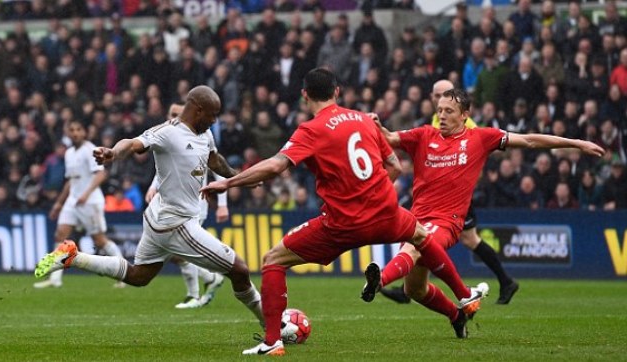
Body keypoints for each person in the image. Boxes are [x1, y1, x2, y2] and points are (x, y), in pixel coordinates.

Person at [200, 69, 489, 355]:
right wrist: (369, 195)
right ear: (337, 92)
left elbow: (276, 166)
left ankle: (273, 340)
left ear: (304, 96)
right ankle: (463, 298)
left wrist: (230, 181)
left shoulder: (311, 130)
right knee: (421, 236)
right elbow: (395, 167)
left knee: (273, 260)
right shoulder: (364, 119)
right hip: (386, 213)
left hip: (341, 224)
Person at [368, 88, 603, 332]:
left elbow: (529, 140)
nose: (442, 116)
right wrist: (374, 125)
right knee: (414, 290)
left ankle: (379, 281)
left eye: (449, 111)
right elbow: (389, 138)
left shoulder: (480, 138)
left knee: (415, 246)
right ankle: (456, 316)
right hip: (419, 217)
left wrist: (576, 143)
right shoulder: (424, 135)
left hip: (447, 222)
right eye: (439, 111)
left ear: (465, 115)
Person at [34, 86, 265, 327]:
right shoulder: (167, 132)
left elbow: (214, 160)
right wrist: (113, 152)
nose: (214, 120)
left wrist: (238, 178)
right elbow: (132, 143)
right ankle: (272, 327)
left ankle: (73, 258)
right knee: (239, 270)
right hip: (176, 222)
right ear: (198, 110)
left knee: (138, 276)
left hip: (160, 218)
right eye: (212, 114)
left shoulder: (204, 134)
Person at [381, 79, 520, 305]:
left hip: (457, 193)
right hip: (435, 193)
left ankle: (492, 285)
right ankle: (492, 285)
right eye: (436, 97)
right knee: (463, 238)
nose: (439, 101)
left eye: (443, 95)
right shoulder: (437, 120)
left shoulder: (469, 127)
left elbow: (475, 153)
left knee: (466, 238)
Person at [144, 102, 227, 309]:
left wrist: (223, 203)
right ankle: (208, 279)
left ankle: (194, 294)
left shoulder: (200, 135)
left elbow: (217, 168)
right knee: (176, 252)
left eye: (177, 113)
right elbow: (166, 170)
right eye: (171, 113)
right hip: (173, 202)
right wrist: (153, 187)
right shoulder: (167, 135)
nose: (173, 116)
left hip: (194, 201)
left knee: (179, 250)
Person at [34, 120, 128, 289]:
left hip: (90, 201)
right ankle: (55, 279)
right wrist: (59, 203)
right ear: (68, 133)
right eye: (72, 130)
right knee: (60, 235)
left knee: (99, 241)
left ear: (84, 132)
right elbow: (71, 181)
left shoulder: (90, 150)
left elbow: (101, 175)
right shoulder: (69, 152)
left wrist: (86, 194)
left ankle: (124, 273)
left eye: (78, 129)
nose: (75, 133)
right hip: (73, 200)